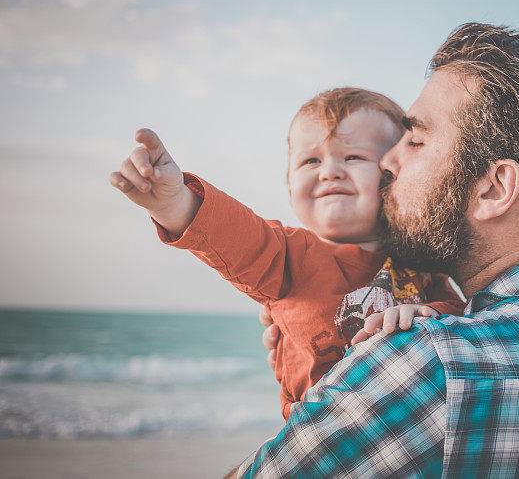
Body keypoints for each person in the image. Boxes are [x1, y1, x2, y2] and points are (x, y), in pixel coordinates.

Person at [242, 23, 519, 478]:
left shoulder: (423, 367)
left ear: (493, 188)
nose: (387, 162)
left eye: (415, 141)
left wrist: (329, 396)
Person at [109, 87, 465, 421]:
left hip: (415, 435)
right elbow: (233, 235)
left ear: (395, 174)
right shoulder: (287, 255)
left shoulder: (420, 262)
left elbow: (462, 320)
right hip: (322, 440)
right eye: (310, 161)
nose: (329, 172)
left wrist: (426, 312)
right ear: (290, 185)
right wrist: (175, 202)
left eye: (354, 156)